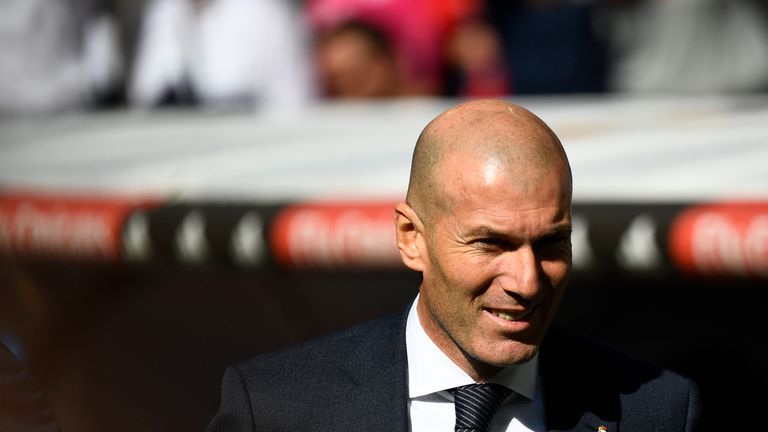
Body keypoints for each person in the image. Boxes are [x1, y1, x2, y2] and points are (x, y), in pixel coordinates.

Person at [206, 99, 702, 431]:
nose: (527, 281)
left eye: (552, 244)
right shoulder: (277, 408)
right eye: (490, 244)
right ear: (411, 239)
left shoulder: (655, 411)